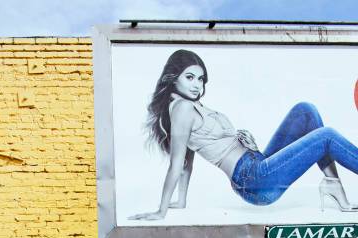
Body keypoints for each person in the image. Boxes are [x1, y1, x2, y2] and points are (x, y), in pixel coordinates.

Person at [128, 49, 358, 221]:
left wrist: (182, 200)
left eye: (200, 79)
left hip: (257, 164)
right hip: (254, 180)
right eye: (190, 77)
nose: (197, 85)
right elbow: (177, 163)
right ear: (173, 77)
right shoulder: (182, 109)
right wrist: (162, 209)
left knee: (305, 111)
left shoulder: (188, 105)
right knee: (326, 136)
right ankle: (334, 185)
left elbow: (188, 161)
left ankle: (332, 184)